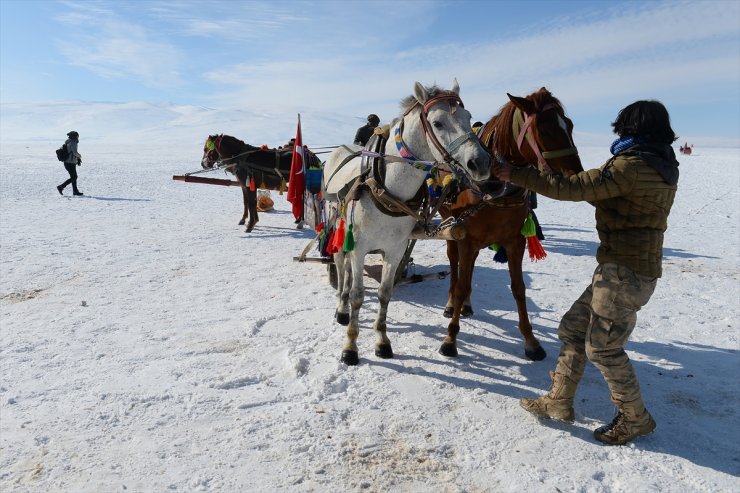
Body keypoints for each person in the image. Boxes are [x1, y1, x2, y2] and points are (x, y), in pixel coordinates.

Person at [493, 100, 679, 446]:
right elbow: (605, 193)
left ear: (633, 129)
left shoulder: (631, 166)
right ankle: (559, 401)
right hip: (623, 269)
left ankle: (635, 418)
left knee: (603, 349)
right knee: (573, 328)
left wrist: (516, 174)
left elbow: (575, 189)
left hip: (625, 273)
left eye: (623, 127)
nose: (620, 132)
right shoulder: (660, 164)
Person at [57, 131, 83, 196]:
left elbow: (71, 152)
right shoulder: (73, 142)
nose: (77, 137)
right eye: (77, 136)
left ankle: (75, 191)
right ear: (74, 136)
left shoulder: (68, 142)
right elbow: (74, 152)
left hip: (68, 162)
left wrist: (77, 159)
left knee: (73, 176)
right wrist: (80, 156)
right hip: (70, 162)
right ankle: (61, 187)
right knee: (74, 177)